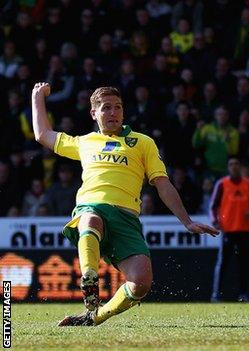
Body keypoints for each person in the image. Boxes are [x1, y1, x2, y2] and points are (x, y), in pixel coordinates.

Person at [30, 83, 218, 327]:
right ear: (93, 114)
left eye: (118, 107)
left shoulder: (142, 143)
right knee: (90, 218)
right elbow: (43, 135)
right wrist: (37, 97)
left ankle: (95, 316)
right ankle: (89, 278)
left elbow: (162, 183)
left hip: (126, 220)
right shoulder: (85, 142)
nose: (113, 112)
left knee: (141, 283)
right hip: (92, 207)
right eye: (106, 108)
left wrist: (187, 221)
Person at [210, 157, 249, 303]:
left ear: (240, 167)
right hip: (228, 230)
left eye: (237, 164)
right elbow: (213, 206)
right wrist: (215, 221)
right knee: (223, 263)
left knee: (244, 264)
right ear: (228, 167)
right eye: (231, 164)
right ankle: (216, 294)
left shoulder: (248, 184)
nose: (234, 167)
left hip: (244, 230)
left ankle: (243, 294)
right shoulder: (222, 184)